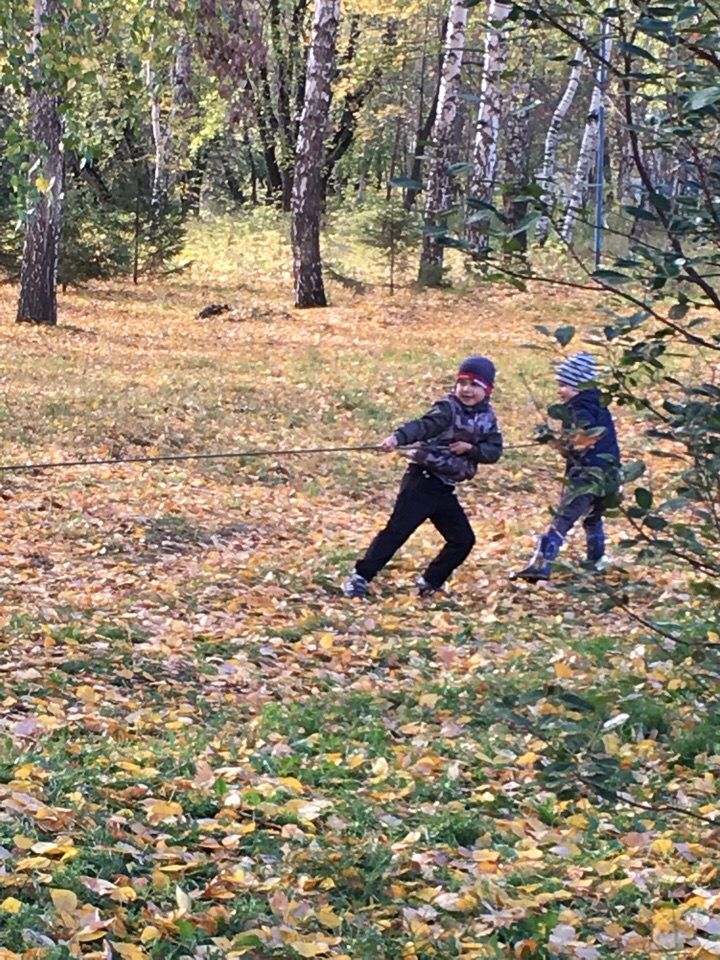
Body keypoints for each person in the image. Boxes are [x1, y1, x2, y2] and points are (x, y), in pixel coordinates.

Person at [342, 355, 503, 599]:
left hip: (444, 488)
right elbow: (422, 426)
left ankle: (429, 582)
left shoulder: (488, 418)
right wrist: (397, 438)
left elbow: (494, 451)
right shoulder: (447, 409)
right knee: (397, 531)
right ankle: (359, 578)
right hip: (423, 480)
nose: (467, 390)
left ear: (487, 390)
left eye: (474, 385)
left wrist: (471, 450)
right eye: (463, 383)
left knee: (463, 540)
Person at [513, 351, 621, 582]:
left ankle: (541, 564)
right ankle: (596, 560)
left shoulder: (579, 408)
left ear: (579, 386)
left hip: (587, 477)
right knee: (593, 517)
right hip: (611, 475)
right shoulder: (599, 406)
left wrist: (551, 441)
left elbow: (580, 443)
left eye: (563, 385)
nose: (559, 390)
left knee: (563, 518)